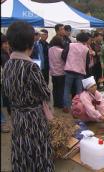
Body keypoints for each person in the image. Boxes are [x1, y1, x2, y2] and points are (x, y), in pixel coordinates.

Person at [2, 21, 54, 171]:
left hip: (17, 116)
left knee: (21, 149)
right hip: (33, 118)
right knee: (37, 150)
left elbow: (6, 90)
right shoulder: (31, 66)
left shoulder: (7, 65)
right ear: (30, 44)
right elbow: (45, 92)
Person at [61, 32, 90, 113]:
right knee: (79, 91)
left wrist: (68, 61)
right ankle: (77, 108)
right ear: (86, 40)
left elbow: (63, 55)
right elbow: (87, 62)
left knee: (67, 89)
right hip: (80, 72)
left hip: (69, 70)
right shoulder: (86, 49)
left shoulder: (70, 45)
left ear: (77, 38)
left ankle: (66, 106)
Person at [49, 35, 65, 108]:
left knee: (55, 88)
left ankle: (55, 103)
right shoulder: (61, 51)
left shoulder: (50, 49)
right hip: (61, 72)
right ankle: (60, 103)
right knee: (61, 88)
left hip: (53, 72)